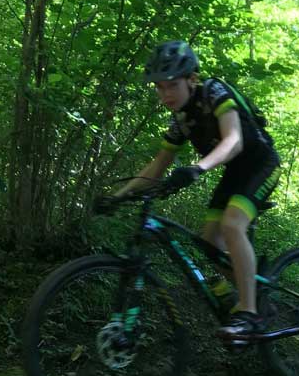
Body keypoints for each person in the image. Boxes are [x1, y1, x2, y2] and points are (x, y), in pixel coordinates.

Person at [107, 40, 281, 340]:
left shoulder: (215, 92)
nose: (166, 94)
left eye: (172, 85)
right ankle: (253, 292)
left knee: (232, 225)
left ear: (192, 79)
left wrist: (197, 168)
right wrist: (118, 196)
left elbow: (233, 141)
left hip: (262, 163)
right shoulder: (181, 120)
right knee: (209, 241)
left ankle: (249, 314)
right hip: (235, 171)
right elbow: (158, 165)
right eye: (160, 87)